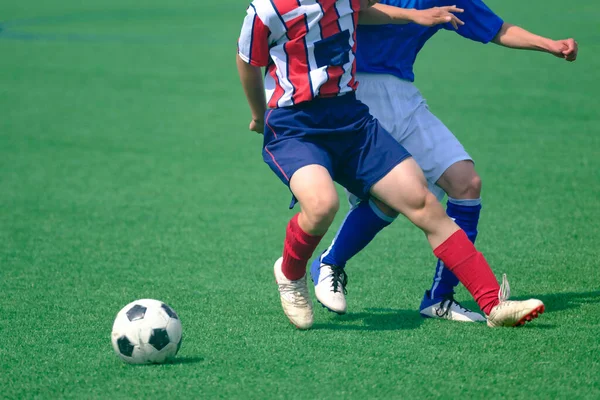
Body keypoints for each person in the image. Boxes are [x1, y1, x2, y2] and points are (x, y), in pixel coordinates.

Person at [237, 0, 544, 330]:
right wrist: (259, 115)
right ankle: (291, 272)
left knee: (422, 201)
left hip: (351, 121)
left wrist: (415, 16)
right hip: (295, 126)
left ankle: (493, 304)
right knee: (322, 205)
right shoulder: (266, 9)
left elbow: (364, 11)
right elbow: (247, 62)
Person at [310, 0, 578, 321]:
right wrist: (414, 16)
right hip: (354, 91)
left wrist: (549, 45)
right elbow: (347, 12)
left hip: (403, 96)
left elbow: (497, 29)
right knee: (389, 200)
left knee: (466, 183)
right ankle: (330, 262)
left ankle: (439, 298)